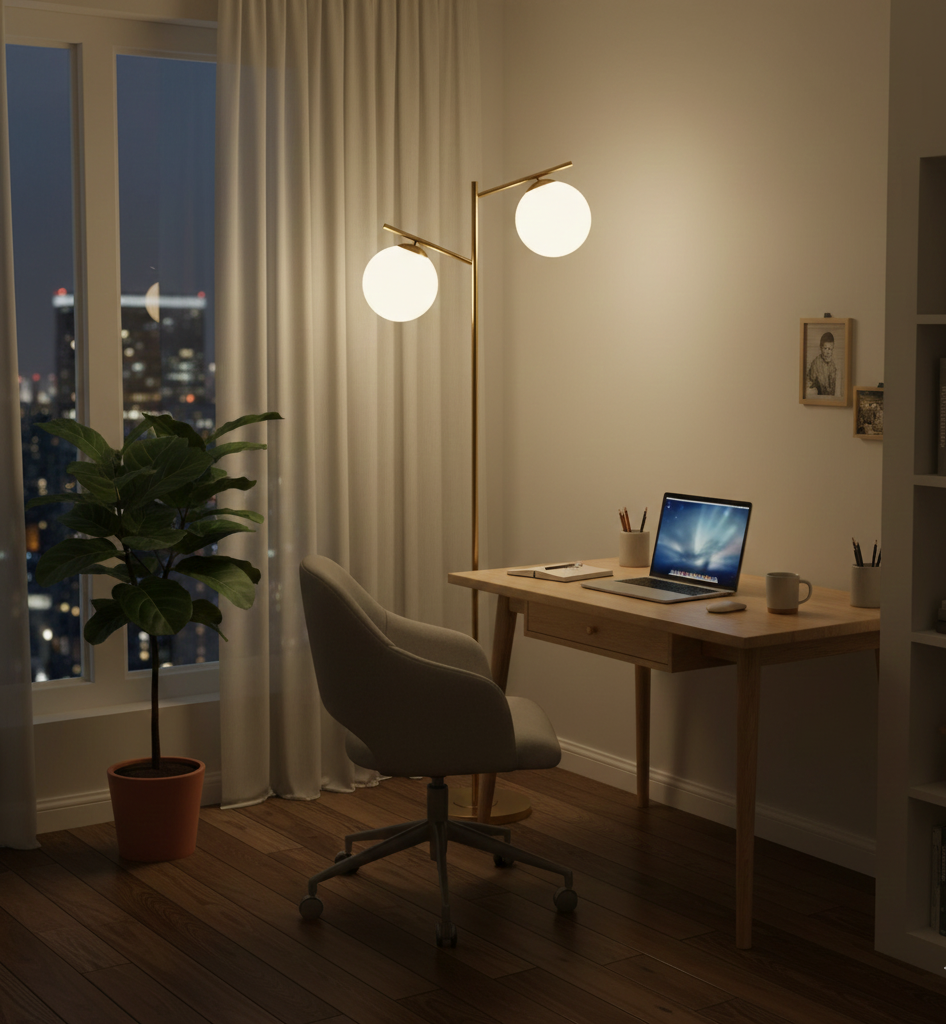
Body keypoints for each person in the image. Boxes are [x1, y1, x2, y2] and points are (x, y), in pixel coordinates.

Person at [807, 332, 838, 396]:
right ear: (821, 348)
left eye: (830, 349)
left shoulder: (833, 365)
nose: (827, 352)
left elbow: (833, 386)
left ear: (832, 349)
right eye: (825, 348)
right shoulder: (815, 363)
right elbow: (810, 383)